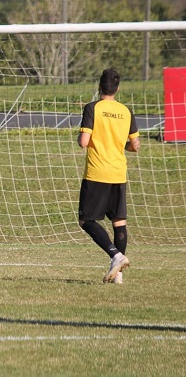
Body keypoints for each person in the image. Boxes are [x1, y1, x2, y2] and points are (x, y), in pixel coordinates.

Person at [77, 68, 140, 284]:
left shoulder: (92, 108)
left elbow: (84, 142)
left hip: (97, 172)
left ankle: (116, 255)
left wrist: (86, 138)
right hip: (118, 173)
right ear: (118, 88)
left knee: (86, 220)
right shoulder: (126, 111)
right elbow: (135, 146)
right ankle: (118, 275)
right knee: (119, 221)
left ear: (99, 86)